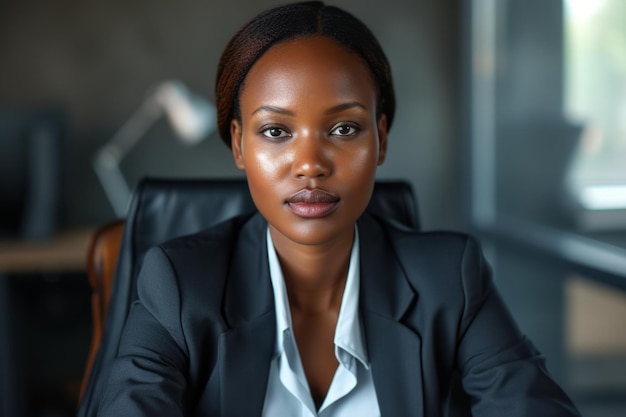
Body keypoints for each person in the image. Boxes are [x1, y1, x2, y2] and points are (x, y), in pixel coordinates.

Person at [97, 2, 581, 416]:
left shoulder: (450, 279)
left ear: (382, 138)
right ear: (239, 145)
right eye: (276, 132)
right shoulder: (178, 284)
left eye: (344, 129)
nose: (310, 165)